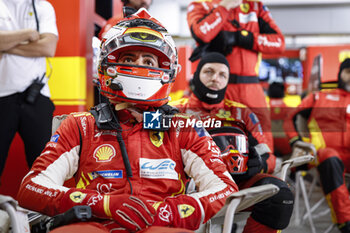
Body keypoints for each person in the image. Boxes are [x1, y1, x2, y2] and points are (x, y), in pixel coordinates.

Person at [17, 9, 237, 232]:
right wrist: (101, 204)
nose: (138, 66)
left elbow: (224, 188)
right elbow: (31, 188)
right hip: (95, 223)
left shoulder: (184, 127)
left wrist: (168, 211)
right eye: (129, 58)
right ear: (107, 67)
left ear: (166, 70)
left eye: (148, 60)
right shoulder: (80, 124)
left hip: (160, 224)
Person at [171, 52, 294, 233]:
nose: (215, 78)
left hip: (236, 185)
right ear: (196, 75)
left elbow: (268, 155)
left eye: (222, 75)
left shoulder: (242, 113)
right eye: (209, 72)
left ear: (227, 80)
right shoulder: (173, 110)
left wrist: (258, 164)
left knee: (280, 195)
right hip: (185, 187)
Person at [187, 0, 286, 152]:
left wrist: (241, 38)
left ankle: (264, 174)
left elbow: (279, 43)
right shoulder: (200, 4)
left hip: (253, 89)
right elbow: (202, 33)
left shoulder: (255, 6)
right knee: (220, 142)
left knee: (265, 147)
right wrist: (224, 7)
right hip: (219, 87)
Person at [284, 58, 350, 233]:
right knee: (330, 156)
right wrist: (295, 141)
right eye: (348, 72)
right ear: (340, 73)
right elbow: (289, 118)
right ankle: (345, 222)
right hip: (323, 155)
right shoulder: (318, 97)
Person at [0, 0, 58, 178]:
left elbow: (48, 47)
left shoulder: (43, 6)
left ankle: (42, 205)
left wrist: (6, 44)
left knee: (44, 167)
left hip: (36, 95)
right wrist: (28, 34)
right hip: (2, 94)